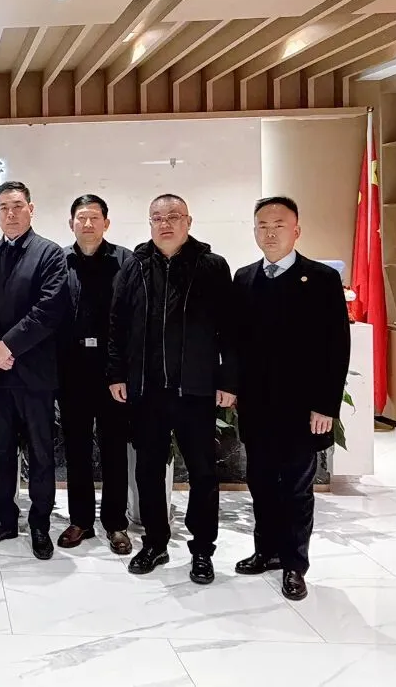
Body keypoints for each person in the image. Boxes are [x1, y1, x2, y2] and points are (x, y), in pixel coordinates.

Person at [108, 194, 236, 585]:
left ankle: (202, 550)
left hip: (195, 390)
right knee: (147, 470)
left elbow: (230, 328)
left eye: (173, 216)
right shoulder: (135, 265)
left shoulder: (211, 266)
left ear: (188, 221)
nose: (165, 224)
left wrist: (228, 380)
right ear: (149, 223)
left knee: (202, 473)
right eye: (158, 218)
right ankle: (155, 542)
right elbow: (117, 324)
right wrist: (117, 374)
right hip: (148, 391)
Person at [231, 197, 350, 601]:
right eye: (262, 225)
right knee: (261, 482)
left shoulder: (320, 279)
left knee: (297, 489)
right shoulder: (244, 278)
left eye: (279, 225)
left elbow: (337, 346)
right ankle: (265, 551)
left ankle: (295, 564)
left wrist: (326, 405)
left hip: (302, 407)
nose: (270, 232)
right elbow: (236, 343)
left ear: (296, 230)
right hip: (256, 405)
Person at [0, 181, 69, 560]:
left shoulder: (49, 253)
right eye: (3, 207)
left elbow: (50, 309)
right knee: (1, 453)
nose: (10, 214)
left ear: (31, 208)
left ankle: (40, 524)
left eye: (16, 206)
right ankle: (5, 519)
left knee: (41, 455)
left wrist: (9, 346)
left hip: (36, 376)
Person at [56, 194, 133, 555]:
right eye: (81, 218)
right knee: (76, 449)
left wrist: (125, 370)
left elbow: (133, 319)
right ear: (71, 223)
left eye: (94, 218)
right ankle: (81, 521)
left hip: (112, 373)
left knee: (114, 448)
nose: (87, 224)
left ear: (106, 222)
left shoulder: (126, 261)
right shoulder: (59, 262)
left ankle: (116, 523)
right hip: (72, 371)